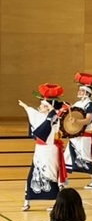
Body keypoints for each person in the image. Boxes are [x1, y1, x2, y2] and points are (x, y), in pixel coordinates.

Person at [18, 83, 67, 212]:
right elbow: (31, 111)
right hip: (39, 150)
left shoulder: (54, 117)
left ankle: (57, 203)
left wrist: (51, 107)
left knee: (51, 176)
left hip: (50, 151)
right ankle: (27, 201)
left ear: (48, 107)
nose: (39, 106)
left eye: (42, 105)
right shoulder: (41, 116)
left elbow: (55, 114)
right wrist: (25, 106)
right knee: (33, 174)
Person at [63, 73, 92, 190]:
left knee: (85, 158)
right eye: (79, 90)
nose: (79, 92)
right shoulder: (78, 104)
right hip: (75, 136)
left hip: (84, 137)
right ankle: (63, 181)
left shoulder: (90, 105)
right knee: (66, 156)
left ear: (87, 92)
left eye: (81, 90)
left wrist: (77, 121)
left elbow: (88, 120)